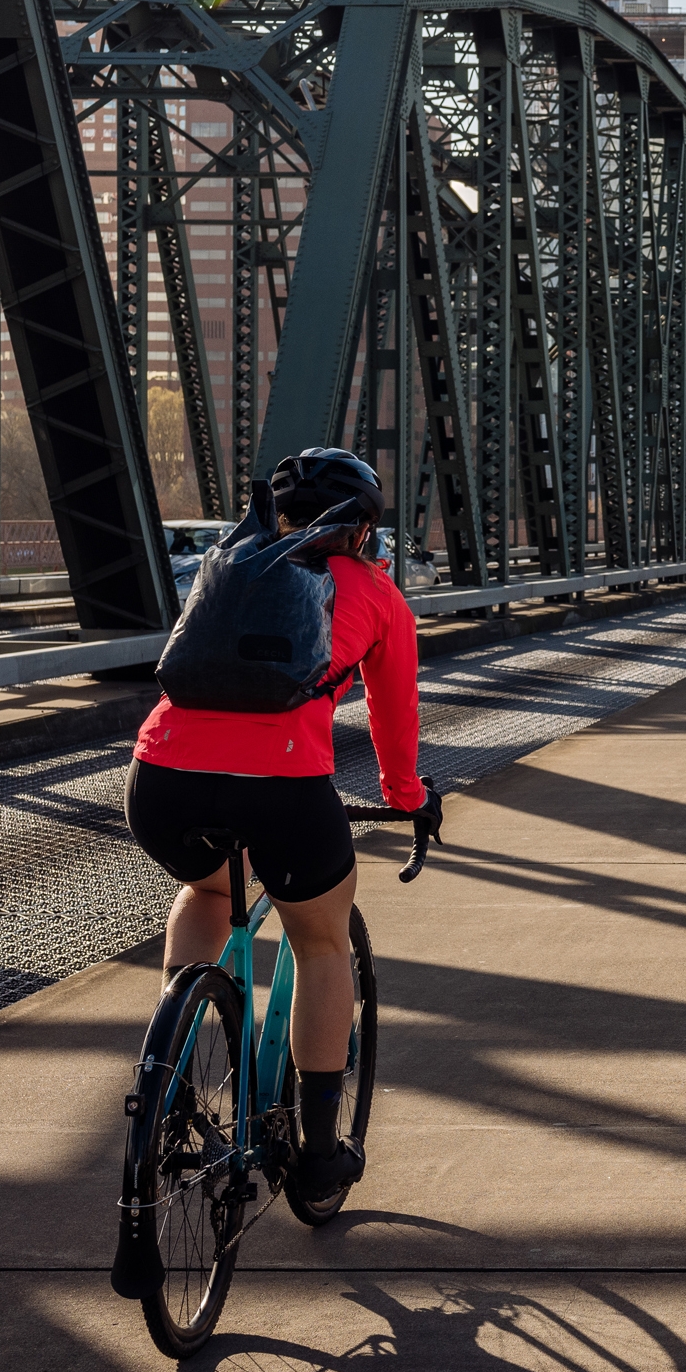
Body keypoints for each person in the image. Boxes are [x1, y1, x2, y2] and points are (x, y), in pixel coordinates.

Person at [124, 447, 433, 1206]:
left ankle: (174, 1088)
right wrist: (406, 795)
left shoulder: (231, 568)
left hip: (160, 779)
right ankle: (320, 1157)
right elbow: (395, 721)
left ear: (279, 515)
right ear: (363, 531)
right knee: (322, 942)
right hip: (283, 790)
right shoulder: (376, 593)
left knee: (206, 893)